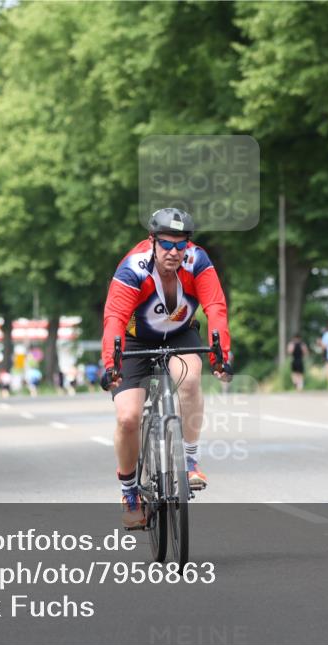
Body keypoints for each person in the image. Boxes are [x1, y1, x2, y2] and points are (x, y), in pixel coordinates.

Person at [100, 208, 232, 528]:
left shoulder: (197, 261)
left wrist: (221, 355)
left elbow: (215, 306)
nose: (174, 252)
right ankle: (130, 491)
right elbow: (114, 318)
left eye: (180, 244)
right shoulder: (134, 269)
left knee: (188, 381)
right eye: (166, 244)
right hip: (135, 340)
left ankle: (188, 461)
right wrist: (110, 363)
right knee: (128, 417)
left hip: (180, 333)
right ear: (153, 241)